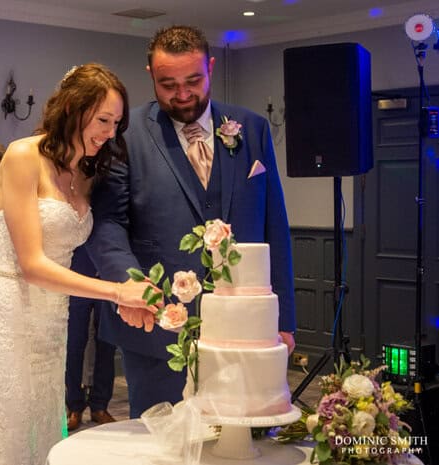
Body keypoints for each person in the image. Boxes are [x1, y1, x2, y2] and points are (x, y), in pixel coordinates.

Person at [0, 63, 156, 465]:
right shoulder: (22, 155)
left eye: (116, 122)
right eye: (103, 119)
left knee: (40, 428)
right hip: (6, 312)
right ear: (72, 107)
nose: (109, 132)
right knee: (2, 428)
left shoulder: (87, 171)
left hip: (51, 320)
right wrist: (118, 291)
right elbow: (31, 264)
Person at [87, 25, 297, 419]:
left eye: (193, 80)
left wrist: (282, 317)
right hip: (158, 324)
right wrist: (130, 281)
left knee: (239, 438)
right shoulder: (126, 135)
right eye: (168, 84)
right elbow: (107, 224)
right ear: (150, 73)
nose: (182, 94)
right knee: (160, 440)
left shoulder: (251, 128)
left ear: (211, 68)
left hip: (244, 327)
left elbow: (274, 224)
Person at [65, 245, 117, 431]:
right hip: (76, 274)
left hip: (109, 276)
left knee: (107, 342)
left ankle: (100, 406)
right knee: (74, 343)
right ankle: (74, 405)